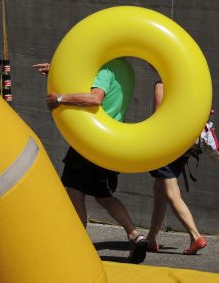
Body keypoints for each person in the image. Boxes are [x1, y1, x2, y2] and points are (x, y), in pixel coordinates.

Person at [33, 58, 147, 264]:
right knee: (104, 196)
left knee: (75, 192)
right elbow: (90, 81)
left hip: (90, 139)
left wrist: (60, 98)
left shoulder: (106, 68)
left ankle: (78, 247)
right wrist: (56, 71)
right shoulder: (126, 69)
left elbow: (95, 98)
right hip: (111, 141)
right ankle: (135, 235)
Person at [146, 80, 207, 255]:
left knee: (171, 192)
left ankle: (195, 236)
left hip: (166, 144)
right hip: (183, 143)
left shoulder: (162, 83)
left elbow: (159, 113)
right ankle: (151, 238)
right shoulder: (186, 83)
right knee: (160, 189)